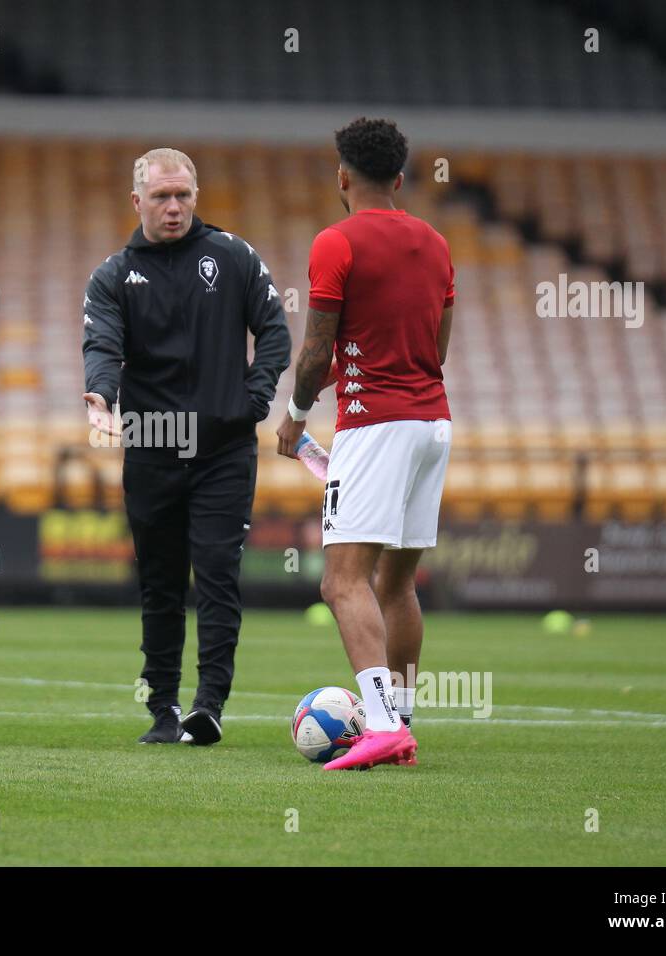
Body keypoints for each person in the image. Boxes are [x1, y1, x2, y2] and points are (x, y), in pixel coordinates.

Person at [82, 147, 290, 745]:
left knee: (219, 573)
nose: (173, 208)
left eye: (183, 197)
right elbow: (102, 346)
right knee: (160, 580)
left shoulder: (232, 256)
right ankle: (163, 708)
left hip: (222, 446)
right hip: (150, 441)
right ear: (137, 201)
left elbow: (274, 332)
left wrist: (252, 401)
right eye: (161, 198)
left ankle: (209, 706)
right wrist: (100, 395)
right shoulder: (114, 276)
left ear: (195, 197)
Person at [275, 117, 455, 771]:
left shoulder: (337, 242)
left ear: (343, 175)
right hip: (432, 422)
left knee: (341, 582)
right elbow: (439, 343)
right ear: (400, 179)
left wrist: (294, 418)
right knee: (396, 584)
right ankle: (401, 719)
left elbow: (318, 349)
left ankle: (380, 726)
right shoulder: (435, 243)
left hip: (374, 425)